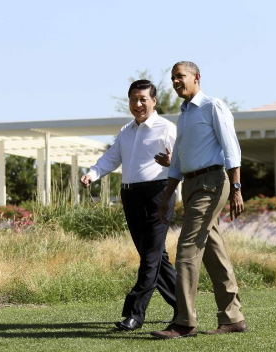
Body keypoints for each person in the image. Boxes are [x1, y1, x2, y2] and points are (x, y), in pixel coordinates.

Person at [150, 61, 247, 339]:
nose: (176, 82)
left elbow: (231, 148)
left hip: (212, 183)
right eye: (173, 78)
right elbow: (178, 159)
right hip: (192, 185)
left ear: (196, 77)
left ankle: (184, 322)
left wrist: (237, 188)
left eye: (180, 76)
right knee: (214, 252)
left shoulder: (212, 106)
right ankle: (233, 318)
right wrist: (167, 196)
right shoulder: (184, 114)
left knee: (188, 248)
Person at [80, 79, 178, 331]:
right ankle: (184, 306)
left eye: (143, 99)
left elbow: (183, 161)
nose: (138, 104)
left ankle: (135, 313)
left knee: (150, 258)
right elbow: (112, 157)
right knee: (155, 257)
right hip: (131, 196)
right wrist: (93, 173)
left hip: (160, 194)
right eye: (134, 99)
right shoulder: (126, 131)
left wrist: (172, 161)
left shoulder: (167, 128)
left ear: (154, 101)